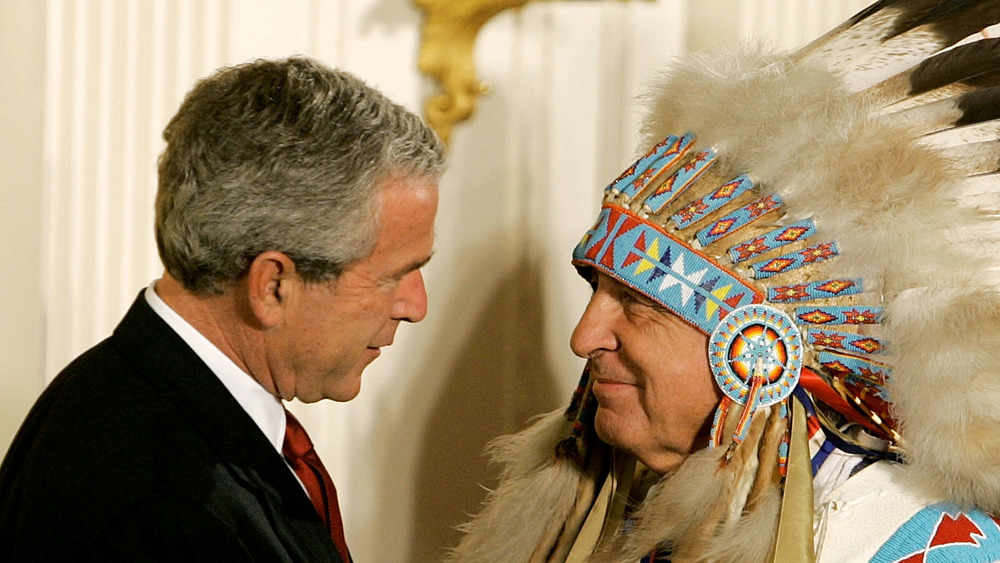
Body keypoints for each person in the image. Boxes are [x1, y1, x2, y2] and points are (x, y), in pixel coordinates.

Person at [446, 1, 1000, 562]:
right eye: (596, 290)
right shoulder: (638, 524)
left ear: (759, 347)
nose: (584, 336)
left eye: (637, 302)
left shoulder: (926, 547)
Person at [0, 56, 445, 562]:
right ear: (273, 286)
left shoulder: (117, 395)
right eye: (393, 275)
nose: (416, 306)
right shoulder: (165, 512)